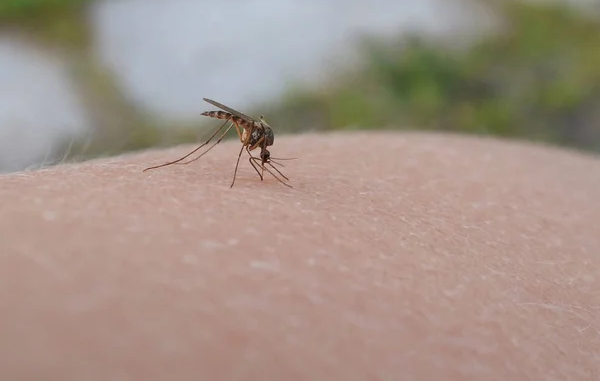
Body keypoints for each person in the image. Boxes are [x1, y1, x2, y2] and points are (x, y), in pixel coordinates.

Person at [1, 131, 599, 380]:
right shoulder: (245, 135)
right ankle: (182, 164)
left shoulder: (262, 139)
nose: (259, 150)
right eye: (261, 150)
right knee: (218, 145)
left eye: (260, 149)